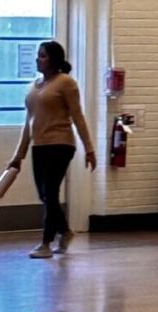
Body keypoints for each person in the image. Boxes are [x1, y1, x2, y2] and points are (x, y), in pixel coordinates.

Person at [7, 42, 97, 260]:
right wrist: (18, 155)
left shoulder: (66, 83)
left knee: (50, 192)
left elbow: (78, 117)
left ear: (55, 59)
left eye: (43, 56)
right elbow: (28, 123)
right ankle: (65, 232)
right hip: (40, 145)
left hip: (60, 144)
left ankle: (46, 243)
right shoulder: (34, 86)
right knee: (44, 195)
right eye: (38, 56)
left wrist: (89, 149)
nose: (38, 59)